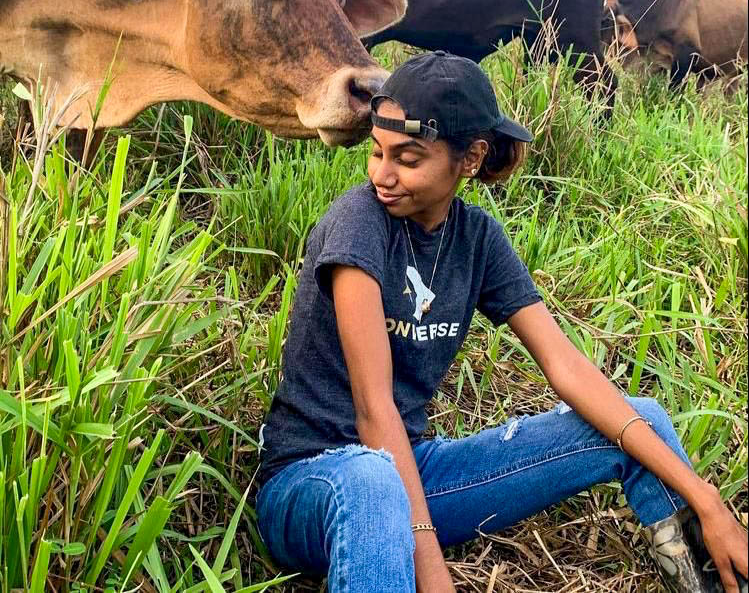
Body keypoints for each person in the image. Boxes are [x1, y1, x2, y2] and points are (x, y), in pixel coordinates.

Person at [255, 51, 748, 593]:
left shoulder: (478, 239)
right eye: (377, 152)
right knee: (373, 480)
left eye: (408, 159)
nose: (382, 175)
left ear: (470, 158)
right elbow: (375, 413)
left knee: (641, 421)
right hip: (313, 484)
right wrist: (433, 573)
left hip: (412, 471)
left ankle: (715, 578)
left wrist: (706, 499)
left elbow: (566, 367)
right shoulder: (359, 224)